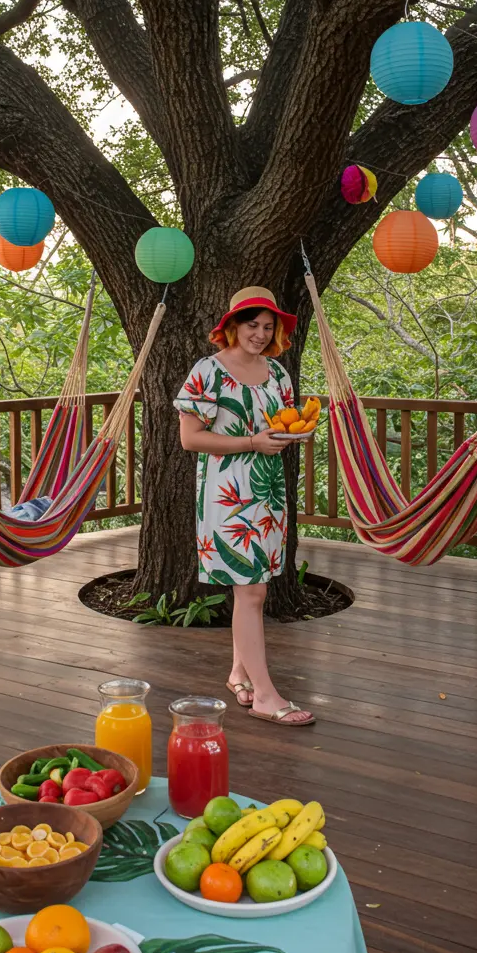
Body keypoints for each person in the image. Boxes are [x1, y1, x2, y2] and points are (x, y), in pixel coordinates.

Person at [174, 287, 315, 727]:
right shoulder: (208, 371)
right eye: (252, 324)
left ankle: (239, 673)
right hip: (228, 495)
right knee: (250, 592)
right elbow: (190, 438)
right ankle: (266, 696)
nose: (261, 333)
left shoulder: (277, 373)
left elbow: (280, 424)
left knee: (256, 589)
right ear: (233, 326)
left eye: (268, 326)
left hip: (268, 490)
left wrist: (296, 433)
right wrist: (251, 442)